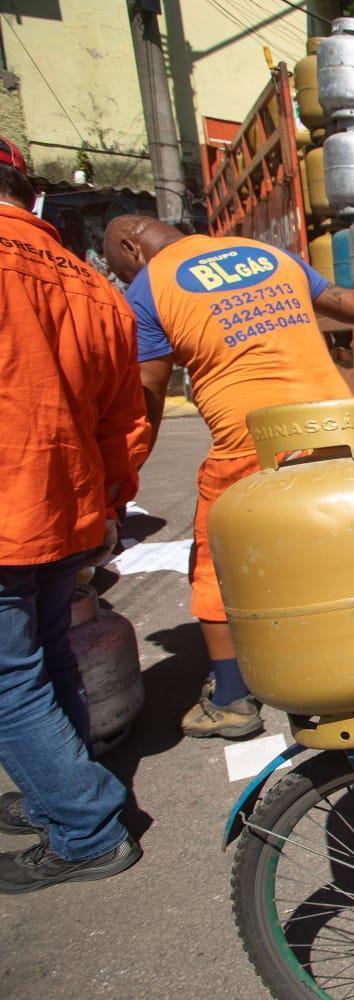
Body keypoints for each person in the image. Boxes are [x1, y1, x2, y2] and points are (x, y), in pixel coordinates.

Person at [102, 217, 354, 739]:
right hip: (337, 426)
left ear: (130, 248)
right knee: (338, 542)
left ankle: (230, 700)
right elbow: (353, 306)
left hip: (254, 441)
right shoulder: (265, 254)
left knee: (215, 562)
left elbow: (147, 396)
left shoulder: (148, 288)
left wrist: (122, 475)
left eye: (120, 269)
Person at [0, 136, 148, 891]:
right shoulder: (92, 285)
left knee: (10, 679)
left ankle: (85, 828)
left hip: (9, 506)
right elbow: (125, 418)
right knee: (46, 657)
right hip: (67, 506)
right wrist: (111, 503)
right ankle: (57, 792)